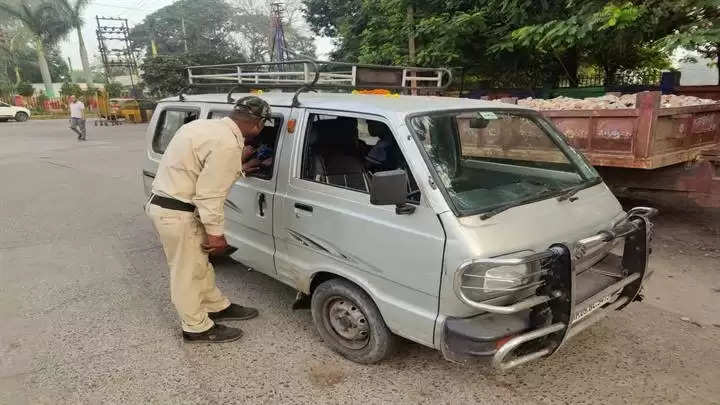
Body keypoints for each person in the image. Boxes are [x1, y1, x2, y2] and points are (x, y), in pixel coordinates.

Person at [146, 96, 271, 343]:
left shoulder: (201, 126)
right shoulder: (227, 144)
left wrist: (238, 166)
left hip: (170, 205)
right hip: (178, 213)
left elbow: (198, 167)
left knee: (199, 264)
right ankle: (196, 327)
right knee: (187, 271)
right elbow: (209, 194)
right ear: (257, 124)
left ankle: (216, 306)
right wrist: (217, 235)